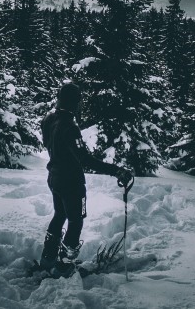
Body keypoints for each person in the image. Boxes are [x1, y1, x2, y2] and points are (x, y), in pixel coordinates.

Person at [39, 82, 133, 270]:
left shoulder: (49, 120)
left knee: (59, 215)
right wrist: (117, 170)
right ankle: (65, 265)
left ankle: (48, 258)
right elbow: (85, 160)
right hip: (71, 183)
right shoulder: (69, 127)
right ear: (75, 102)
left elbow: (47, 142)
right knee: (76, 220)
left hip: (54, 177)